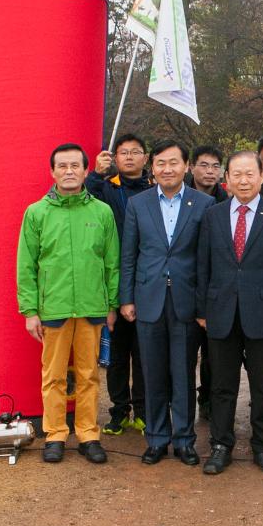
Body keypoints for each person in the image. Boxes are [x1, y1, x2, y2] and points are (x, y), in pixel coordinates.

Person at [195, 151, 263, 475]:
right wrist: (202, 309)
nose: (243, 180)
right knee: (222, 385)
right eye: (236, 174)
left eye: (249, 174)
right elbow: (203, 266)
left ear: (260, 176)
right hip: (221, 311)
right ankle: (221, 445)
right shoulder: (213, 216)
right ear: (227, 178)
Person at [18, 143, 119, 464]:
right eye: (62, 166)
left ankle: (88, 434)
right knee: (54, 375)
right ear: (52, 172)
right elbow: (26, 265)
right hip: (54, 308)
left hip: (92, 307)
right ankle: (56, 434)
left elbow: (111, 264)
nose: (69, 171)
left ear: (87, 171)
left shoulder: (101, 212)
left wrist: (112, 304)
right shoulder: (36, 213)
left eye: (76, 165)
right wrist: (30, 311)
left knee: (89, 374)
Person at [120, 140, 208, 466]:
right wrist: (126, 298)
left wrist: (204, 306)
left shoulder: (204, 203)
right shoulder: (138, 204)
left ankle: (184, 439)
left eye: (174, 162)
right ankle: (156, 438)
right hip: (148, 300)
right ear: (151, 166)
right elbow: (129, 254)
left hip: (186, 301)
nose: (167, 169)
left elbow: (206, 260)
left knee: (184, 373)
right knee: (152, 373)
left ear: (186, 166)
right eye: (160, 163)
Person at [87, 133, 153, 435]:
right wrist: (95, 173)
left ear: (145, 158)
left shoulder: (155, 190)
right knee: (115, 356)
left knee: (143, 354)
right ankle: (118, 410)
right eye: (122, 152)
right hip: (113, 280)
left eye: (135, 152)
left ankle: (141, 409)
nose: (128, 157)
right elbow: (83, 196)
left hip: (147, 282)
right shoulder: (105, 188)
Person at [185, 145, 226, 422]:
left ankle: (208, 397)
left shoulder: (227, 200)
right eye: (203, 165)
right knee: (185, 354)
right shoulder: (180, 195)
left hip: (216, 290)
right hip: (184, 286)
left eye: (215, 166)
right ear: (191, 167)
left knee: (214, 355)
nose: (209, 171)